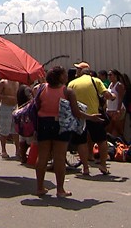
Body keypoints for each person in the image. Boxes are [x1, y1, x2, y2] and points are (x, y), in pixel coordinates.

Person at [35, 66, 101, 197]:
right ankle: (60, 190)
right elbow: (76, 112)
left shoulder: (40, 88)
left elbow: (36, 106)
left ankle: (40, 188)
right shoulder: (67, 92)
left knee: (42, 156)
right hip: (60, 124)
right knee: (59, 157)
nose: (67, 76)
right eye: (64, 74)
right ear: (60, 77)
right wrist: (91, 117)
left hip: (43, 123)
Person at [68, 62, 114, 175]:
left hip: (79, 116)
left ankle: (85, 167)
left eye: (78, 69)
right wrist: (113, 97)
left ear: (82, 71)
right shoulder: (95, 81)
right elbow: (107, 95)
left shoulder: (72, 84)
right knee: (102, 140)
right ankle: (103, 165)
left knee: (81, 142)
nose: (76, 71)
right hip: (94, 116)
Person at [0, 79, 19, 159]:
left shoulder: (17, 82)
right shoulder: (3, 82)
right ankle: (3, 150)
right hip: (5, 107)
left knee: (16, 130)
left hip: (15, 107)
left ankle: (18, 151)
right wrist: (7, 97)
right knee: (4, 130)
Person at [106, 69, 126, 137]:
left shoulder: (119, 85)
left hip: (117, 109)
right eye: (108, 75)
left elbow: (120, 99)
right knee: (110, 129)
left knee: (118, 129)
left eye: (110, 75)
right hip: (110, 110)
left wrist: (118, 110)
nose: (109, 76)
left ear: (115, 76)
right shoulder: (110, 85)